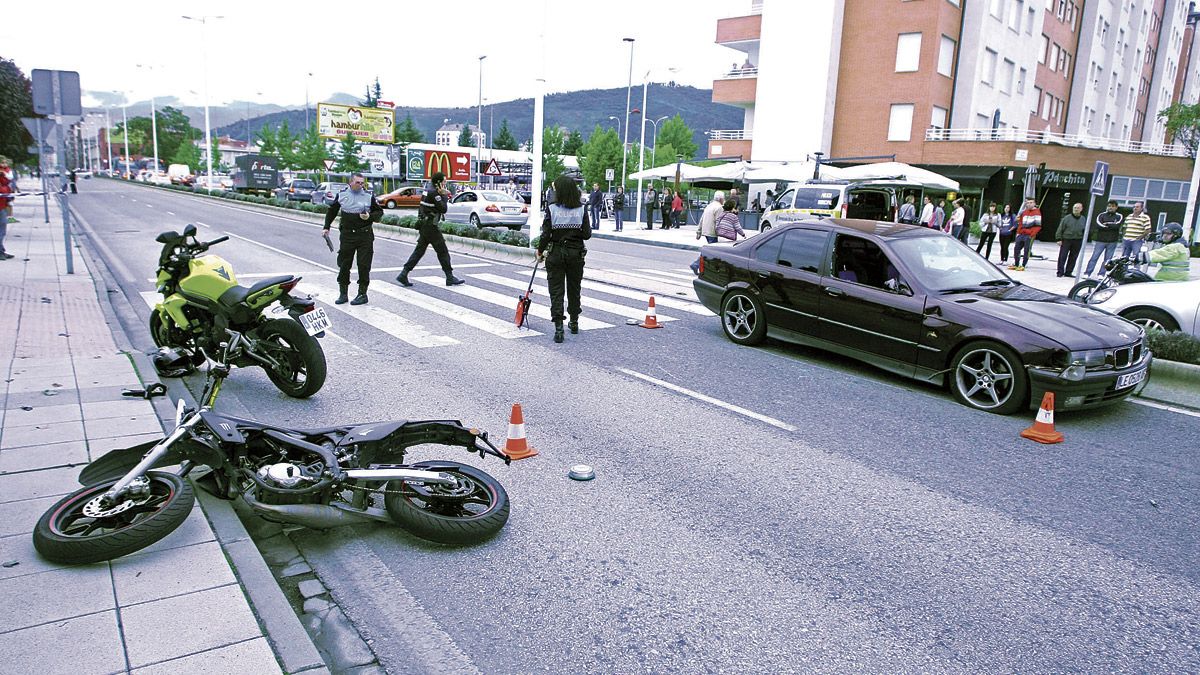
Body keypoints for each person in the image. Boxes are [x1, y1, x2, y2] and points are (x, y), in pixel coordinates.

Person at [536, 175, 592, 343]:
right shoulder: (581, 209)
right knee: (574, 289)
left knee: (556, 291)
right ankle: (574, 322)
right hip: (576, 254)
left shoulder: (552, 209)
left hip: (556, 254)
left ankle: (558, 328)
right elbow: (587, 234)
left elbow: (546, 234)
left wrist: (539, 251)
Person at [395, 171, 465, 290]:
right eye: (444, 181)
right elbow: (443, 209)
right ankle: (449, 276)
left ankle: (404, 273)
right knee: (442, 251)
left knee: (419, 251)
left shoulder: (427, 190)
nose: (445, 183)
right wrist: (444, 196)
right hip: (430, 227)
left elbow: (421, 207)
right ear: (438, 182)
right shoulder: (435, 193)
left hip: (424, 225)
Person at [321, 173, 383, 305]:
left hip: (364, 235)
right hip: (347, 235)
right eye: (358, 183)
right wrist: (326, 227)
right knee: (344, 264)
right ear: (351, 183)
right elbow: (332, 211)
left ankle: (362, 294)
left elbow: (379, 213)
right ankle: (343, 294)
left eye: (362, 183)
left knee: (364, 265)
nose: (361, 185)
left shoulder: (368, 196)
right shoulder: (342, 195)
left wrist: (370, 217)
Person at [1084, 200, 1124, 277]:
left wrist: (1106, 224)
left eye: (1112, 206)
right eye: (1109, 206)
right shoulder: (1101, 215)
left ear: (1116, 207)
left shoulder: (1119, 216)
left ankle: (1101, 274)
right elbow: (1098, 225)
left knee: (1107, 260)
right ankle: (1087, 273)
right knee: (1094, 257)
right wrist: (1111, 225)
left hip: (1112, 241)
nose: (1110, 208)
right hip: (1100, 240)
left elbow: (1117, 225)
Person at [1009, 197, 1042, 271]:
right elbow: (1020, 223)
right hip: (1021, 233)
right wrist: (1018, 233)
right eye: (1028, 203)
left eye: (1031, 203)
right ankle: (1016, 263)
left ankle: (1023, 265)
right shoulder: (1024, 212)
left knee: (1026, 250)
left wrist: (1031, 234)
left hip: (1029, 234)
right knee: (1016, 248)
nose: (1029, 204)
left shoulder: (1037, 212)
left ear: (1034, 204)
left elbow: (1038, 226)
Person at [1054, 202, 1086, 277]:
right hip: (1067, 239)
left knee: (1073, 257)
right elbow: (1060, 228)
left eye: (1078, 208)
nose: (1076, 209)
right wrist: (1058, 239)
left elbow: (1085, 230)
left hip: (1077, 240)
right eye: (1075, 208)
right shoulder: (1067, 218)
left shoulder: (1083, 219)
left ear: (1081, 209)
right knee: (1063, 256)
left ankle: (1068, 272)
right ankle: (1060, 272)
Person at [0, 159, 13, 260]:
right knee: (1, 229)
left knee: (2, 229)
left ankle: (1, 250)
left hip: (3, 205)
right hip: (1, 206)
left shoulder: (4, 176)